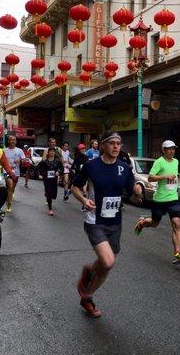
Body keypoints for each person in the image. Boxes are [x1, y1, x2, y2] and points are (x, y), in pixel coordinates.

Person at [72, 131, 142, 318]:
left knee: (105, 264)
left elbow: (132, 195)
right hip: (95, 221)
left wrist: (137, 191)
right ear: (103, 145)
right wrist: (83, 200)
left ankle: (88, 281)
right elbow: (75, 186)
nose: (116, 147)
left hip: (115, 222)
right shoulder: (91, 166)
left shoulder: (124, 168)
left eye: (119, 143)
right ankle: (87, 296)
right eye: (112, 143)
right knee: (109, 262)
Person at [134, 140, 180, 265]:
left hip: (173, 199)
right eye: (169, 149)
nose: (172, 151)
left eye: (173, 149)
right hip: (159, 199)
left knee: (176, 224)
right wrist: (164, 177)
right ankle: (142, 223)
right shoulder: (159, 162)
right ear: (163, 150)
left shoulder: (176, 161)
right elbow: (150, 177)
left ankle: (177, 254)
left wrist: (179, 176)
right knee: (154, 223)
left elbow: (174, 174)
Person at [38, 147, 64, 216]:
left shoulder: (57, 161)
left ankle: (48, 195)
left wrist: (59, 172)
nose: (52, 153)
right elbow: (38, 168)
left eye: (53, 151)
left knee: (54, 195)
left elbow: (62, 168)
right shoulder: (44, 162)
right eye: (51, 151)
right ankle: (50, 209)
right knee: (49, 193)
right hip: (46, 179)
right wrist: (40, 175)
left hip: (54, 179)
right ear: (48, 153)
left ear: (55, 153)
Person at [3, 135, 25, 213]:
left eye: (14, 140)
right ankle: (9, 205)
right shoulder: (4, 151)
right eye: (11, 140)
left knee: (12, 188)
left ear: (16, 141)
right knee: (10, 185)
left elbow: (23, 161)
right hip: (7, 172)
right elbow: (1, 161)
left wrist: (20, 161)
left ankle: (8, 196)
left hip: (16, 172)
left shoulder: (19, 151)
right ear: (8, 141)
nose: (12, 141)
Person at [71, 144, 89, 211]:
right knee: (76, 188)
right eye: (81, 149)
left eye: (84, 148)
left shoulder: (87, 158)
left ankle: (84, 205)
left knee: (84, 190)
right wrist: (77, 169)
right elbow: (73, 167)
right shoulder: (77, 158)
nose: (83, 150)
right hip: (78, 176)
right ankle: (69, 192)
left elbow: (88, 166)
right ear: (79, 150)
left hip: (85, 176)